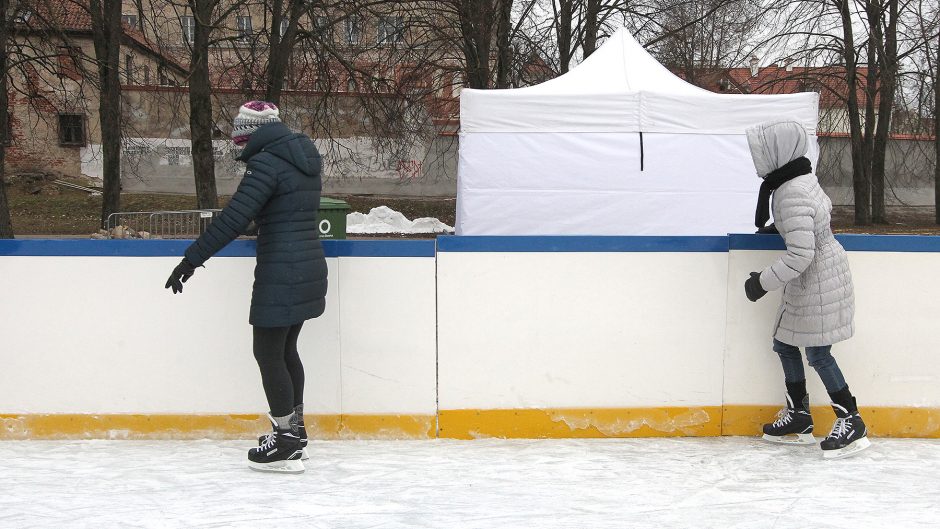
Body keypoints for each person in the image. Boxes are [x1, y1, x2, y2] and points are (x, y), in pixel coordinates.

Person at [165, 101, 328, 473]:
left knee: (268, 353)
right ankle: (295, 433)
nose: (239, 148)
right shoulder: (302, 155)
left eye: (240, 140)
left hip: (282, 270)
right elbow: (287, 209)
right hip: (306, 266)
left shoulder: (267, 163)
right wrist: (265, 224)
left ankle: (286, 442)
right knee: (287, 351)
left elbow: (234, 218)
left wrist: (191, 259)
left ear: (250, 135)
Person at [742, 119, 870, 459]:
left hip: (818, 278)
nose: (756, 158)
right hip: (818, 273)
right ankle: (799, 416)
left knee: (817, 353)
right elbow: (815, 219)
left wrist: (760, 283)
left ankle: (852, 420)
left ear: (777, 152)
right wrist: (781, 229)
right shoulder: (798, 178)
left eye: (761, 151)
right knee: (784, 343)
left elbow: (800, 255)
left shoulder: (791, 191)